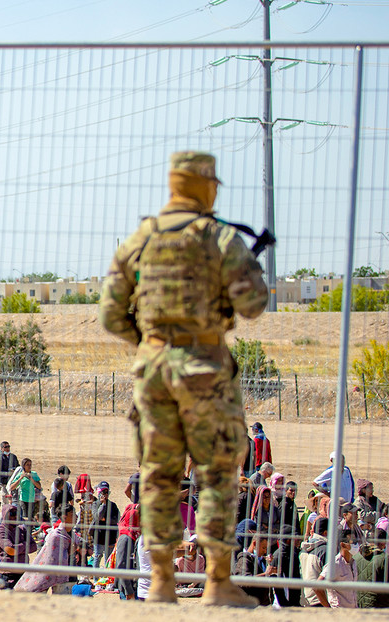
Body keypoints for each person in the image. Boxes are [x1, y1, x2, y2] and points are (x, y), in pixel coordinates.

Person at [99, 151, 269, 606]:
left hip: (152, 372)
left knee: (158, 474)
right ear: (206, 186)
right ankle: (216, 582)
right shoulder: (218, 237)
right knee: (215, 473)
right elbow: (253, 302)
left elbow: (111, 314)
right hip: (205, 368)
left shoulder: (141, 238)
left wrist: (151, 341)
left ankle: (159, 581)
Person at [14, 503, 85, 594]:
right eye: (72, 514)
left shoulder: (73, 535)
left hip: (70, 574)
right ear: (64, 517)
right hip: (57, 574)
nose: (75, 516)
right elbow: (50, 558)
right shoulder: (55, 536)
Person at [0, 504, 37, 588]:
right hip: (9, 575)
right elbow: (11, 550)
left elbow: (34, 547)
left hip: (24, 573)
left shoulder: (21, 529)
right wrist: (25, 544)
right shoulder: (1, 532)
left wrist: (18, 548)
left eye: (16, 513)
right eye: (12, 514)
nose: (15, 516)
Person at [233, 533, 276, 606]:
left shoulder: (259, 560)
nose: (265, 551)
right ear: (255, 543)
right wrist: (266, 574)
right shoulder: (244, 560)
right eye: (263, 548)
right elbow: (244, 581)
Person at [318, 530, 359, 608]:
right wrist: (328, 608)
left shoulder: (354, 563)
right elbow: (316, 587)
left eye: (356, 541)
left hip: (353, 612)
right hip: (338, 612)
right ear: (343, 545)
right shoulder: (335, 564)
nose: (355, 544)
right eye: (352, 542)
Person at [89, 480, 120, 567]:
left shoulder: (113, 505)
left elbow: (117, 519)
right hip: (98, 537)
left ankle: (107, 578)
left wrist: (104, 519)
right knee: (97, 557)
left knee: (108, 559)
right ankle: (95, 579)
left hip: (110, 537)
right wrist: (103, 505)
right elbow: (98, 517)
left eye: (106, 492)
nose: (105, 494)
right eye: (103, 492)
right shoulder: (95, 504)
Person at [6, 457, 41, 523]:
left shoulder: (34, 474)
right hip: (23, 499)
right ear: (23, 466)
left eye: (30, 464)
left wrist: (31, 479)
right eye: (27, 465)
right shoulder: (20, 475)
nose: (29, 466)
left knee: (31, 517)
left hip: (31, 499)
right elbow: (12, 487)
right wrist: (20, 478)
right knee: (25, 517)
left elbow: (39, 486)